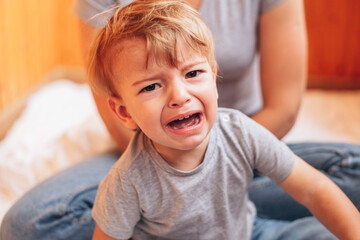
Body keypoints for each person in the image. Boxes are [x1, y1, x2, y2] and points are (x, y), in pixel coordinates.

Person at [1, 0, 360, 239]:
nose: (179, 96)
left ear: (214, 74)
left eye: (193, 74)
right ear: (125, 111)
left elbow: (315, 188)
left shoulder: (242, 134)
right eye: (152, 86)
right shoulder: (128, 181)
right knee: (28, 223)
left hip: (248, 226)